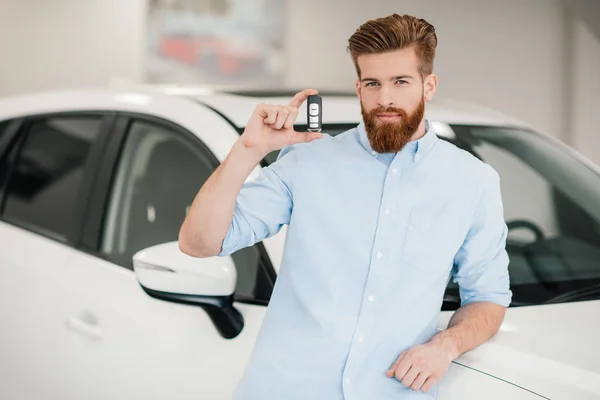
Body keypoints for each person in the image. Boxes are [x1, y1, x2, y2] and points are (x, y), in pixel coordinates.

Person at [179, 13, 512, 400]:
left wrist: (447, 345)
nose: (384, 98)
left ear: (429, 85)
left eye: (401, 82)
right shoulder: (307, 162)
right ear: (358, 88)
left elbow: (488, 297)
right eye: (373, 83)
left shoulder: (473, 181)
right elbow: (199, 243)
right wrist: (249, 150)